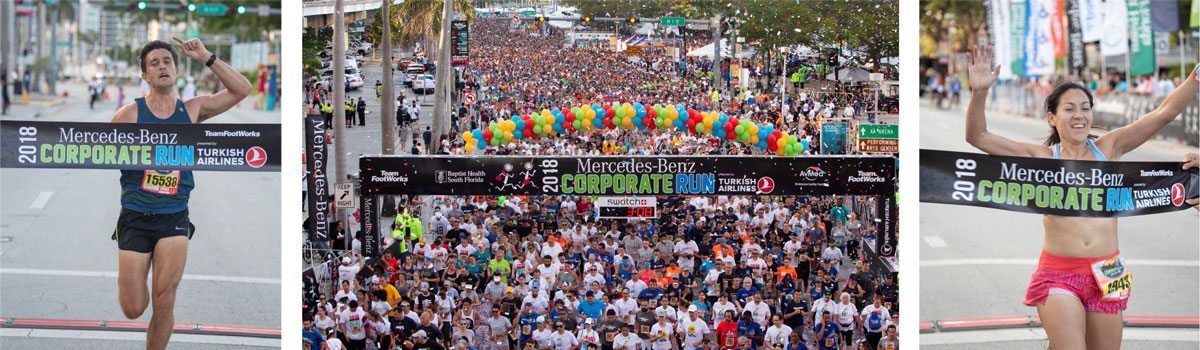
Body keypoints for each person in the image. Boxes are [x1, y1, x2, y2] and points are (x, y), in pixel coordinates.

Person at [963, 43, 1200, 349]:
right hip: (1058, 273)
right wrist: (979, 92)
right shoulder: (1042, 158)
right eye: (1069, 108)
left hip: (1110, 271)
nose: (1079, 115)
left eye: (1085, 108)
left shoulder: (1111, 148)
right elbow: (978, 136)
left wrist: (1197, 74)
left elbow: (1165, 113)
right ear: (1051, 117)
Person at [109, 37, 250, 350]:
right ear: (145, 75)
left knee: (164, 299)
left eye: (167, 62)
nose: (162, 66)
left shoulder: (192, 110)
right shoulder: (128, 115)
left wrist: (206, 57)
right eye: (154, 63)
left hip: (174, 215)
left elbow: (242, 90)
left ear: (176, 70)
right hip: (134, 213)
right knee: (133, 308)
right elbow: (96, 152)